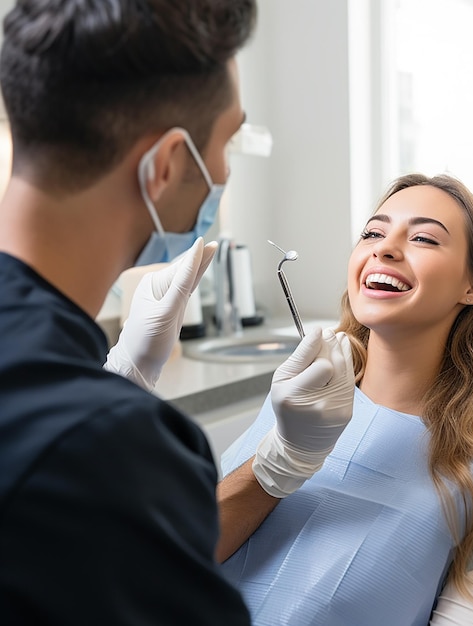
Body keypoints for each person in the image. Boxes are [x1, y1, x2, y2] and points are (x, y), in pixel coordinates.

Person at [0, 1, 354, 624]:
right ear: (165, 165)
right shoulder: (113, 450)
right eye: (228, 141)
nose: (223, 170)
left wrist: (120, 376)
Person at [219, 173, 473, 626]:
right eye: (373, 233)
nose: (385, 248)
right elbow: (175, 554)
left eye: (424, 238)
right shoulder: (304, 395)